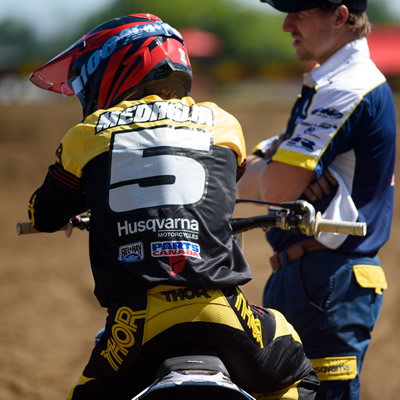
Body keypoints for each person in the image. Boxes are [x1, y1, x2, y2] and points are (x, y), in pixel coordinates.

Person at [27, 13, 319, 400]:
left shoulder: (88, 133)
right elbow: (224, 183)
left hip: (137, 323)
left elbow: (44, 214)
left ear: (114, 68)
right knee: (298, 377)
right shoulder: (223, 123)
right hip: (223, 310)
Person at [238, 0, 396, 399]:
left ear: (340, 16)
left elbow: (273, 188)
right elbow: (260, 166)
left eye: (299, 13)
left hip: (328, 280)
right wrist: (263, 172)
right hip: (314, 277)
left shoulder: (348, 86)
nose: (286, 24)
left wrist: (259, 175)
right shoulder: (329, 84)